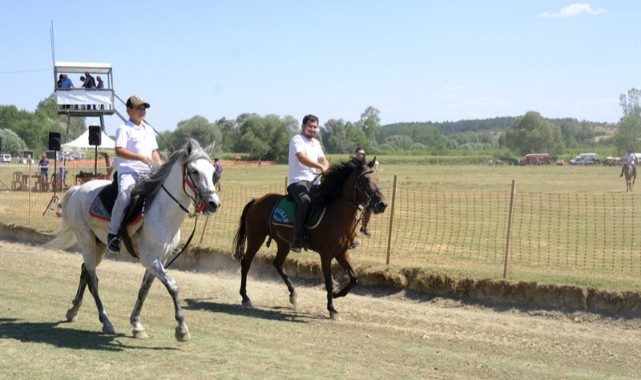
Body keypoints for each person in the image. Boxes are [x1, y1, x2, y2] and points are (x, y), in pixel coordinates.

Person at [107, 95, 163, 254]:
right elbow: (119, 150)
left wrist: (162, 165)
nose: (142, 111)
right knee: (124, 195)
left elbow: (154, 153)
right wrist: (140, 157)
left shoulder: (149, 129)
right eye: (138, 108)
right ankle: (112, 234)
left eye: (143, 108)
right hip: (129, 171)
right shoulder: (124, 128)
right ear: (128, 110)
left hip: (148, 171)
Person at [287, 114, 329, 252]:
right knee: (305, 201)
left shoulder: (316, 143)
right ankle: (296, 239)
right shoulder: (296, 140)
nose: (312, 129)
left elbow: (323, 159)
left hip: (314, 182)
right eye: (310, 126)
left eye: (315, 127)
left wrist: (326, 167)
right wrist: (320, 167)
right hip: (297, 182)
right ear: (303, 126)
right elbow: (302, 158)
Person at [350, 148, 372, 249]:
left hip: (361, 192)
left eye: (363, 154)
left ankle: (364, 227)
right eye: (359, 153)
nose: (361, 155)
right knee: (352, 215)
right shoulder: (351, 164)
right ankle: (351, 237)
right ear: (356, 154)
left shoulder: (365, 165)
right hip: (351, 193)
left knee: (369, 206)